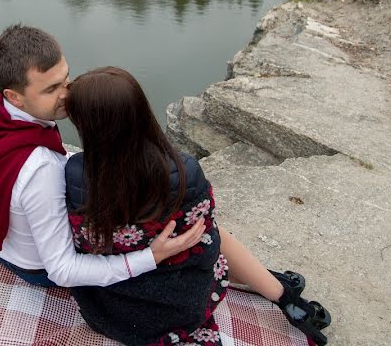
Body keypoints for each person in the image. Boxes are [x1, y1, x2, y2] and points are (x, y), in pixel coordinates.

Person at [64, 66, 331, 346]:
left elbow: (82, 243)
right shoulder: (183, 170)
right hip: (182, 311)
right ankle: (283, 297)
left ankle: (277, 288)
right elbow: (208, 246)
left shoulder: (74, 174)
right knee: (208, 232)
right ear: (141, 112)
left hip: (110, 312)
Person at [0, 25, 205, 289]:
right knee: (184, 226)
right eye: (51, 89)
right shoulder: (42, 170)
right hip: (34, 267)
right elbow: (63, 270)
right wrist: (152, 256)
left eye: (66, 78)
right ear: (14, 96)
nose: (67, 92)